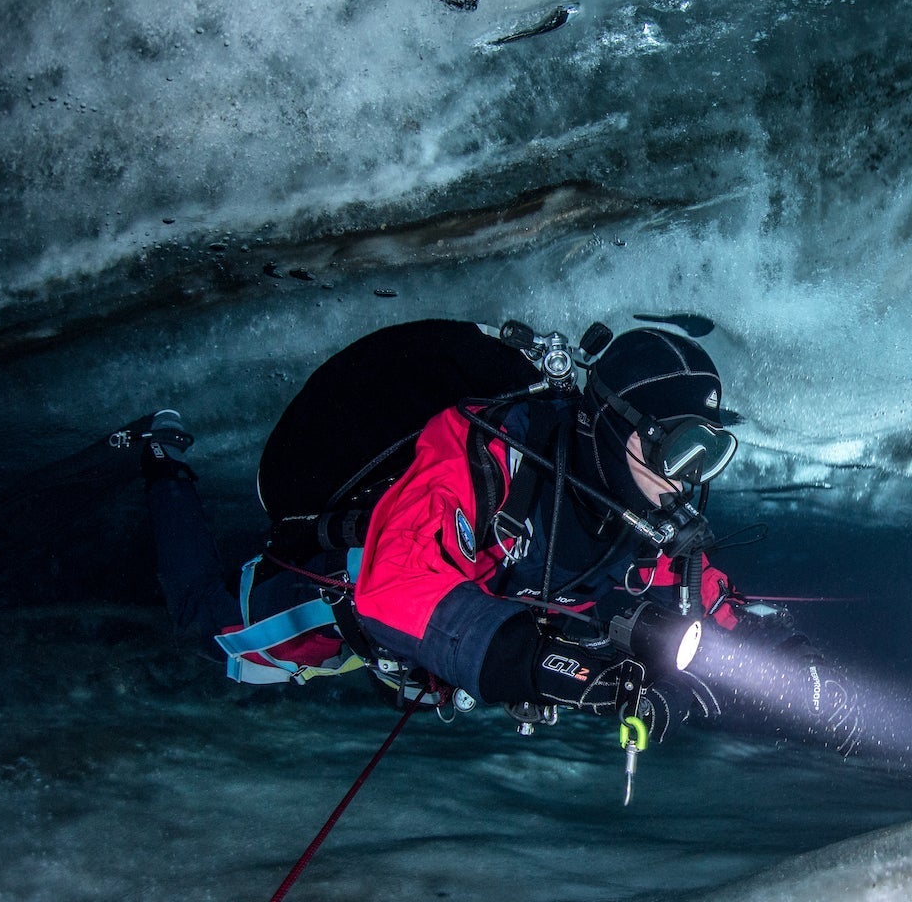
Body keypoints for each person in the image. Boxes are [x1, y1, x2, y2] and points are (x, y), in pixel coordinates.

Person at [127, 323, 873, 761]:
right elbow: (396, 586)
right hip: (346, 596)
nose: (690, 478)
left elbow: (711, 602)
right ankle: (162, 464)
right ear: (612, 425)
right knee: (220, 636)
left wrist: (801, 672)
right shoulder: (487, 452)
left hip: (463, 633)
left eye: (708, 454)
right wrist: (544, 666)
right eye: (678, 447)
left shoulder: (642, 518)